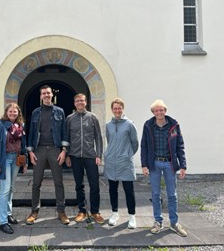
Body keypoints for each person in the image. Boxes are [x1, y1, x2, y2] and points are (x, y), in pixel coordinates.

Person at [141, 99, 187, 237]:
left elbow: (180, 145)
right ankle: (158, 221)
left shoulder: (174, 125)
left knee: (172, 195)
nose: (159, 112)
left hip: (169, 164)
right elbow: (144, 146)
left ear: (165, 111)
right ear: (153, 112)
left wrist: (183, 165)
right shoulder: (148, 125)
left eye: (161, 110)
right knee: (155, 194)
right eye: (156, 110)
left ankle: (174, 223)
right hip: (154, 163)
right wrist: (144, 164)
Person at [26, 85, 70, 225]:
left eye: (48, 93)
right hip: (39, 150)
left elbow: (64, 132)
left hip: (55, 150)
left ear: (52, 95)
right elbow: (31, 132)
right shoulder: (35, 113)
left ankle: (61, 212)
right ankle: (34, 212)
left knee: (58, 182)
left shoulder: (60, 111)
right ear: (41, 96)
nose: (46, 95)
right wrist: (30, 152)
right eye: (44, 93)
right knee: (36, 183)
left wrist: (64, 150)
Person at [0, 103, 28, 234]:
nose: (12, 113)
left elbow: (23, 144)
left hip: (16, 159)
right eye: (10, 111)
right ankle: (3, 221)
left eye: (15, 111)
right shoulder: (0, 126)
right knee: (5, 189)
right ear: (6, 112)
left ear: (18, 113)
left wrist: (25, 161)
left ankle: (8, 213)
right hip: (4, 160)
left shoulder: (20, 126)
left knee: (11, 187)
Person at [65, 93, 104, 224]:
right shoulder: (69, 119)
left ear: (86, 102)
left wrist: (99, 154)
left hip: (91, 156)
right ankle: (81, 210)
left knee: (94, 185)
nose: (80, 103)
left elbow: (98, 137)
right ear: (74, 103)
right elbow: (67, 139)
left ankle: (95, 211)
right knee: (78, 184)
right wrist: (68, 155)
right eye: (77, 101)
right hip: (75, 156)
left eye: (82, 100)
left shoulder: (93, 117)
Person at [104, 98, 139, 229]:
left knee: (128, 190)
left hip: (125, 162)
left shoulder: (129, 124)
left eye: (119, 108)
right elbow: (109, 140)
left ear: (122, 109)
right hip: (112, 162)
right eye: (115, 108)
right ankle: (114, 213)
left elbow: (135, 143)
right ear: (112, 110)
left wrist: (127, 154)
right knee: (112, 189)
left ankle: (132, 216)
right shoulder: (108, 125)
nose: (117, 110)